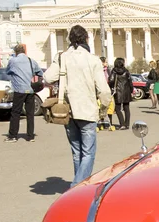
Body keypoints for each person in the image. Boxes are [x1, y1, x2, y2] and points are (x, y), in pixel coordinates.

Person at [44, 24, 112, 187]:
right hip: (87, 111)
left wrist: (57, 61)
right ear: (86, 39)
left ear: (69, 39)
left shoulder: (63, 57)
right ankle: (76, 186)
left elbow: (47, 77)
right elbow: (104, 91)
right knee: (88, 153)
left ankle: (78, 187)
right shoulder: (93, 59)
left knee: (76, 152)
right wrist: (103, 110)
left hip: (67, 112)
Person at [4, 44, 43, 143]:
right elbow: (40, 72)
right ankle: (30, 136)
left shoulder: (13, 61)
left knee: (15, 113)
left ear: (16, 52)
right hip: (30, 90)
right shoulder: (31, 60)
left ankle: (13, 136)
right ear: (24, 51)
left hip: (19, 90)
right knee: (30, 114)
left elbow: (7, 71)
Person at [108, 57, 133, 130]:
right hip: (126, 91)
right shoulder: (126, 71)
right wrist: (131, 90)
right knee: (126, 108)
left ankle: (122, 124)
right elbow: (130, 82)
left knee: (117, 109)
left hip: (117, 92)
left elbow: (111, 81)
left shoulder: (114, 71)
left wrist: (111, 87)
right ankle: (127, 124)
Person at [100, 56, 114, 126]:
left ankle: (110, 123)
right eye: (106, 62)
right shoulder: (98, 70)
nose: (107, 63)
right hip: (100, 90)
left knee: (109, 107)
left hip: (108, 90)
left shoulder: (108, 70)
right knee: (101, 107)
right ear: (102, 62)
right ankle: (101, 122)